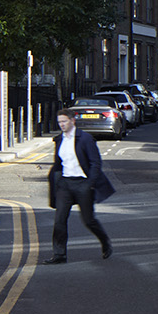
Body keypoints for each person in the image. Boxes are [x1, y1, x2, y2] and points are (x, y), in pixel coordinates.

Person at [42, 111, 112, 264]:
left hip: (82, 183)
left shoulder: (85, 139)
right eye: (59, 122)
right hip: (65, 185)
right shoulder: (59, 139)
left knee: (88, 220)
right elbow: (58, 163)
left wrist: (90, 183)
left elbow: (95, 163)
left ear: (72, 121)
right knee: (59, 220)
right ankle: (59, 255)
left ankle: (105, 241)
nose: (61, 124)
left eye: (64, 121)